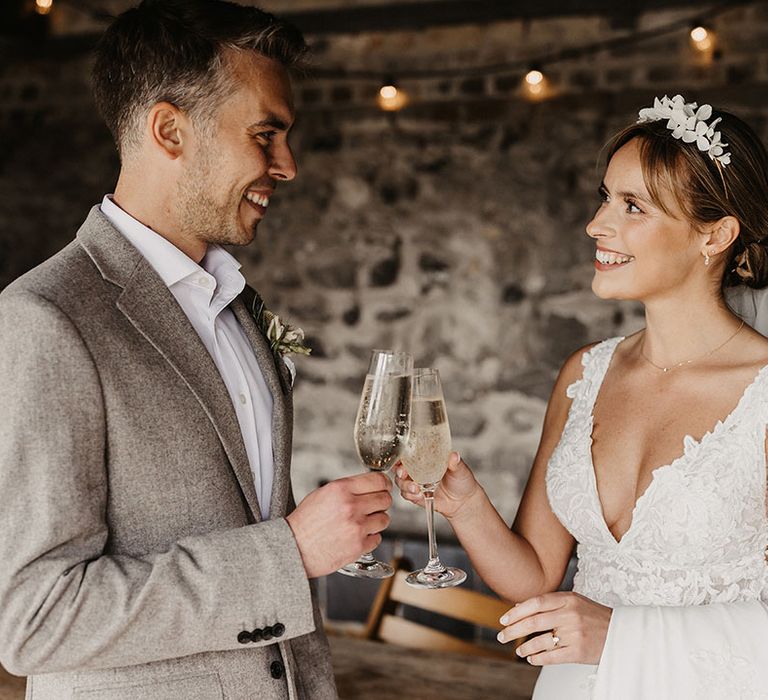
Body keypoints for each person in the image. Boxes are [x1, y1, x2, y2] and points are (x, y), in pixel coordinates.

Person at [0, 2, 394, 698]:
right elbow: (36, 619)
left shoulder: (238, 305)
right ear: (170, 130)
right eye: (266, 134)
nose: (289, 165)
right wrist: (289, 554)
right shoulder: (45, 319)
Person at [397, 94, 768, 698]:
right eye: (604, 197)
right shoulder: (584, 374)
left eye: (633, 206)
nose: (598, 225)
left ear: (716, 234)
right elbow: (534, 577)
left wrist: (619, 637)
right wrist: (465, 505)